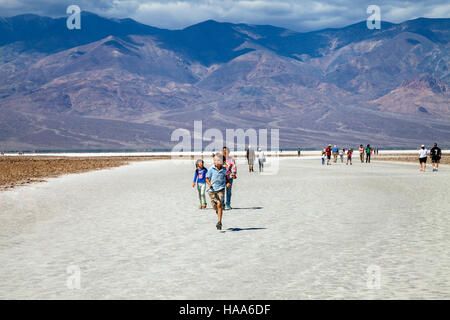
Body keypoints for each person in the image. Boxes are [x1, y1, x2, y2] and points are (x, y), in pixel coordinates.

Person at [206, 154, 231, 230]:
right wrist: (209, 184)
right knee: (215, 207)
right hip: (212, 191)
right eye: (215, 160)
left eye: (218, 160)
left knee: (219, 204)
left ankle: (219, 222)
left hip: (221, 189)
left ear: (222, 162)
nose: (216, 162)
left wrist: (227, 182)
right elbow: (207, 178)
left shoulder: (224, 169)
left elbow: (226, 177)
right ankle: (217, 210)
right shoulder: (211, 169)